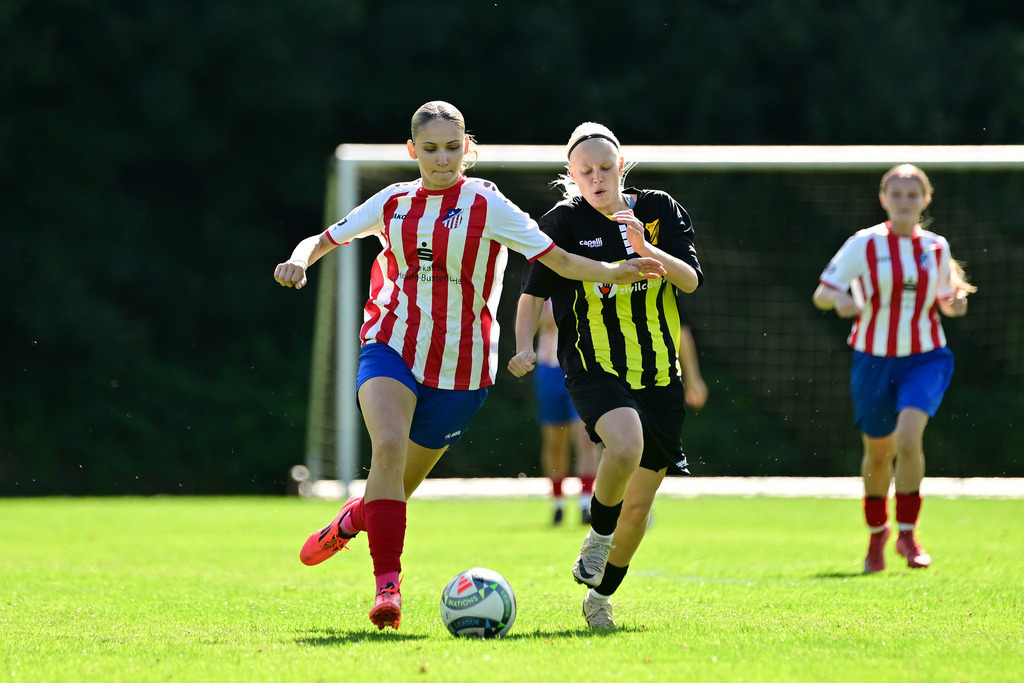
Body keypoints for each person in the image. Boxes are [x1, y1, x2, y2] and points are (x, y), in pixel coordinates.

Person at [274, 102, 665, 632]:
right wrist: (299, 259)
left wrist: (615, 272)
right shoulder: (393, 201)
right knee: (386, 448)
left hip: (464, 368)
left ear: (468, 149)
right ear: (412, 151)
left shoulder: (488, 204)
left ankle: (353, 518)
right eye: (430, 149)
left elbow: (560, 261)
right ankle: (387, 588)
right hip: (390, 343)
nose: (441, 159)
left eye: (452, 148)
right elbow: (323, 238)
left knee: (394, 490)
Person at [508, 122, 703, 629]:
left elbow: (690, 280)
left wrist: (647, 249)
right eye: (585, 171)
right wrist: (522, 347)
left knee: (637, 512)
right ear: (572, 176)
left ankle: (600, 598)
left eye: (604, 167)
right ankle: (596, 537)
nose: (596, 177)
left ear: (621, 167)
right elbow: (531, 295)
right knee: (623, 443)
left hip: (661, 372)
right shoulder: (561, 223)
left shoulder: (659, 208)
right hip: (594, 366)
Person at [812, 163, 975, 574]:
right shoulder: (863, 244)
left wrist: (955, 304)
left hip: (926, 356)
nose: (905, 202)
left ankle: (907, 533)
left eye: (913, 194)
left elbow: (947, 298)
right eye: (897, 194)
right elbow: (823, 295)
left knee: (907, 439)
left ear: (925, 200)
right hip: (872, 360)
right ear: (884, 199)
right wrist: (843, 301)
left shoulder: (936, 247)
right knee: (878, 453)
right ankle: (876, 536)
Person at [533, 299, 598, 525]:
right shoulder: (543, 286)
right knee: (554, 441)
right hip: (549, 369)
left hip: (583, 368)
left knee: (586, 438)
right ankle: (558, 503)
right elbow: (531, 319)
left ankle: (585, 503)